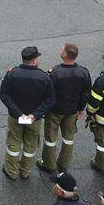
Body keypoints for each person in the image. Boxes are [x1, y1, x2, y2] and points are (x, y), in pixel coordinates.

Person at [0, 46, 56, 180]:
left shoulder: (12, 74)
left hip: (16, 117)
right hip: (34, 119)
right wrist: (34, 115)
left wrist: (19, 113)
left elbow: (4, 95)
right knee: (30, 144)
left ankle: (11, 171)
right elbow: (50, 100)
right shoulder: (44, 77)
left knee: (13, 143)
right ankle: (25, 171)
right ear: (35, 60)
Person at [39, 43, 91, 174]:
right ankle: (63, 164)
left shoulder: (55, 72)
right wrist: (80, 109)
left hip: (55, 111)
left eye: (62, 49)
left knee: (50, 138)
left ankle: (49, 164)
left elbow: (47, 92)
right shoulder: (83, 72)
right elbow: (86, 93)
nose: (60, 50)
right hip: (72, 110)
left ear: (65, 54)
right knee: (68, 138)